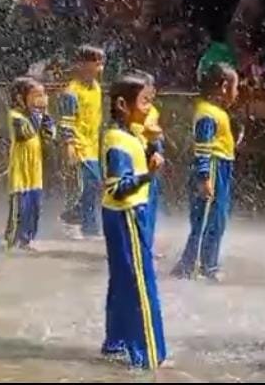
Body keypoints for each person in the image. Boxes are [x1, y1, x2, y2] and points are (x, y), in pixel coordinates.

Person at [100, 71, 167, 370]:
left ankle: (116, 343)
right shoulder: (117, 140)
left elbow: (151, 156)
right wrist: (147, 176)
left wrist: (155, 142)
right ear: (122, 105)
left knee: (123, 280)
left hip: (123, 214)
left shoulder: (132, 134)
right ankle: (149, 356)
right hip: (126, 214)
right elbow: (116, 187)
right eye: (144, 102)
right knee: (140, 283)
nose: (149, 108)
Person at [173, 63, 238, 281]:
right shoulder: (207, 114)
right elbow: (202, 148)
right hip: (212, 168)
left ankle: (201, 264)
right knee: (206, 220)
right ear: (224, 87)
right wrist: (204, 177)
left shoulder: (215, 112)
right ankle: (196, 265)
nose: (237, 93)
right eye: (235, 88)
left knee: (217, 219)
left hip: (220, 167)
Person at [59, 45, 106, 239]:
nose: (100, 68)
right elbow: (66, 122)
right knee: (86, 185)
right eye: (96, 63)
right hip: (79, 146)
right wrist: (69, 144)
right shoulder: (71, 92)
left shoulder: (96, 88)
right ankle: (74, 219)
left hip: (92, 146)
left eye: (102, 63)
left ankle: (86, 224)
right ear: (82, 64)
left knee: (94, 185)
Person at [5, 77, 54, 250]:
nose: (41, 99)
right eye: (36, 96)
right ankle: (12, 241)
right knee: (20, 208)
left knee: (35, 208)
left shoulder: (38, 117)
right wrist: (39, 114)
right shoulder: (15, 116)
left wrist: (46, 116)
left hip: (35, 173)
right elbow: (27, 132)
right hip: (20, 173)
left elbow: (49, 136)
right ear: (20, 98)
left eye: (43, 95)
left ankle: (27, 240)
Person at [130, 71, 166, 243]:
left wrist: (157, 141)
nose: (151, 94)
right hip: (139, 161)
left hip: (150, 160)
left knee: (151, 204)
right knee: (139, 204)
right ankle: (138, 241)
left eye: (151, 90)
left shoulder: (152, 111)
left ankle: (147, 242)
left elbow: (155, 135)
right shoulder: (131, 115)